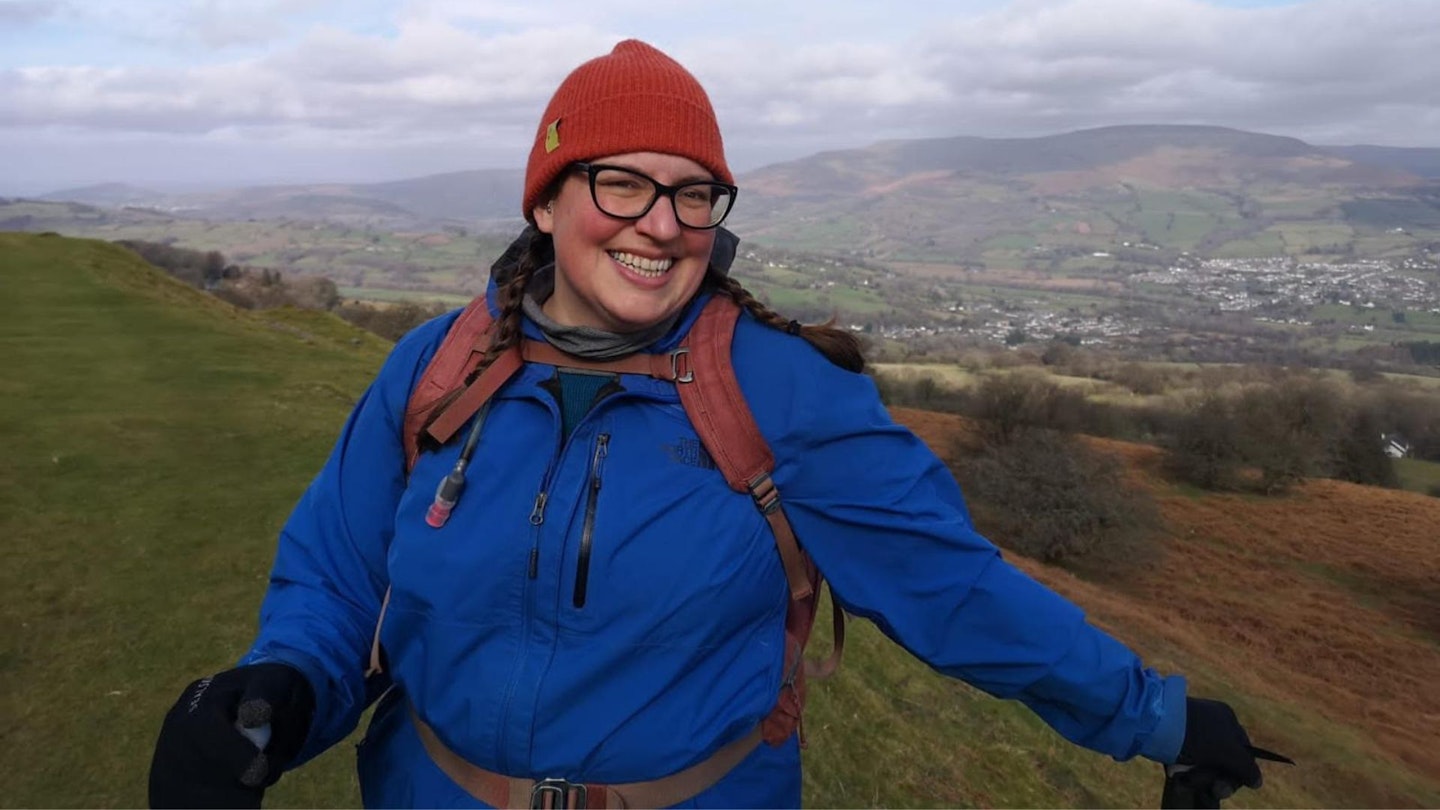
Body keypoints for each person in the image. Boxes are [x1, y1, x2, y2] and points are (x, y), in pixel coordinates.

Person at [149, 39, 1271, 809]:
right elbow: (340, 579)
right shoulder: (439, 367)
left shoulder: (785, 392)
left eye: (695, 193)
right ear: (546, 199)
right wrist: (284, 691)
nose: (665, 223)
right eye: (623, 185)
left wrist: (1154, 716)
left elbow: (956, 590)